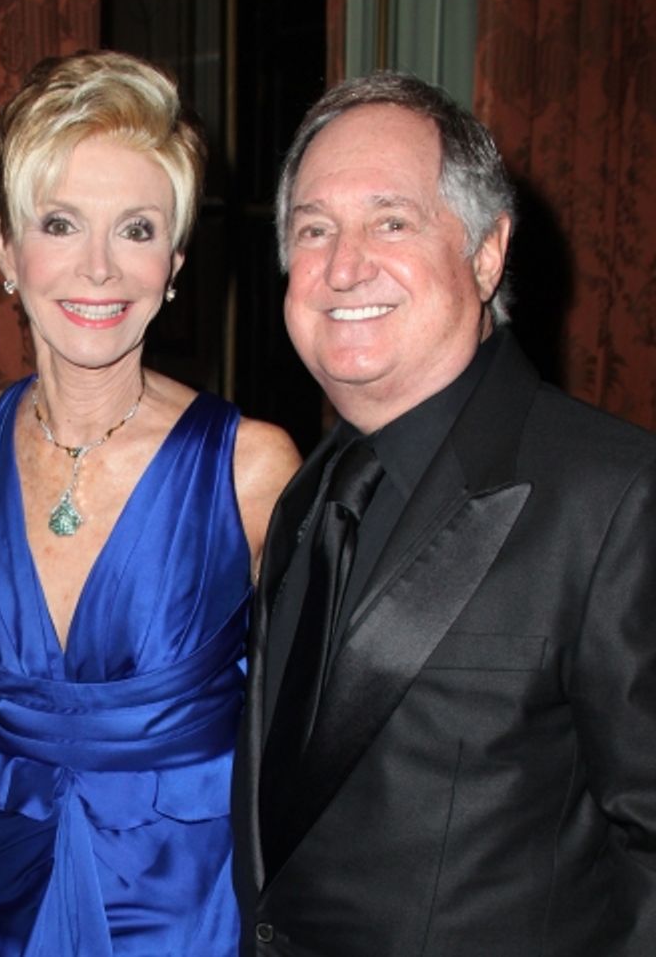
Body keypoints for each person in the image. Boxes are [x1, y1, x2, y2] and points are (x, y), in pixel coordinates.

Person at [233, 71, 656, 955]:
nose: (343, 266)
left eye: (392, 220)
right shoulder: (306, 489)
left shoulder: (616, 496)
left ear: (489, 252)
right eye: (314, 229)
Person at [0, 50, 300, 955]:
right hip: (2, 890)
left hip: (189, 909)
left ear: (175, 263)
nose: (99, 269)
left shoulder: (251, 469)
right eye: (60, 223)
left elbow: (313, 730)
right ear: (4, 251)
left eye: (137, 230)